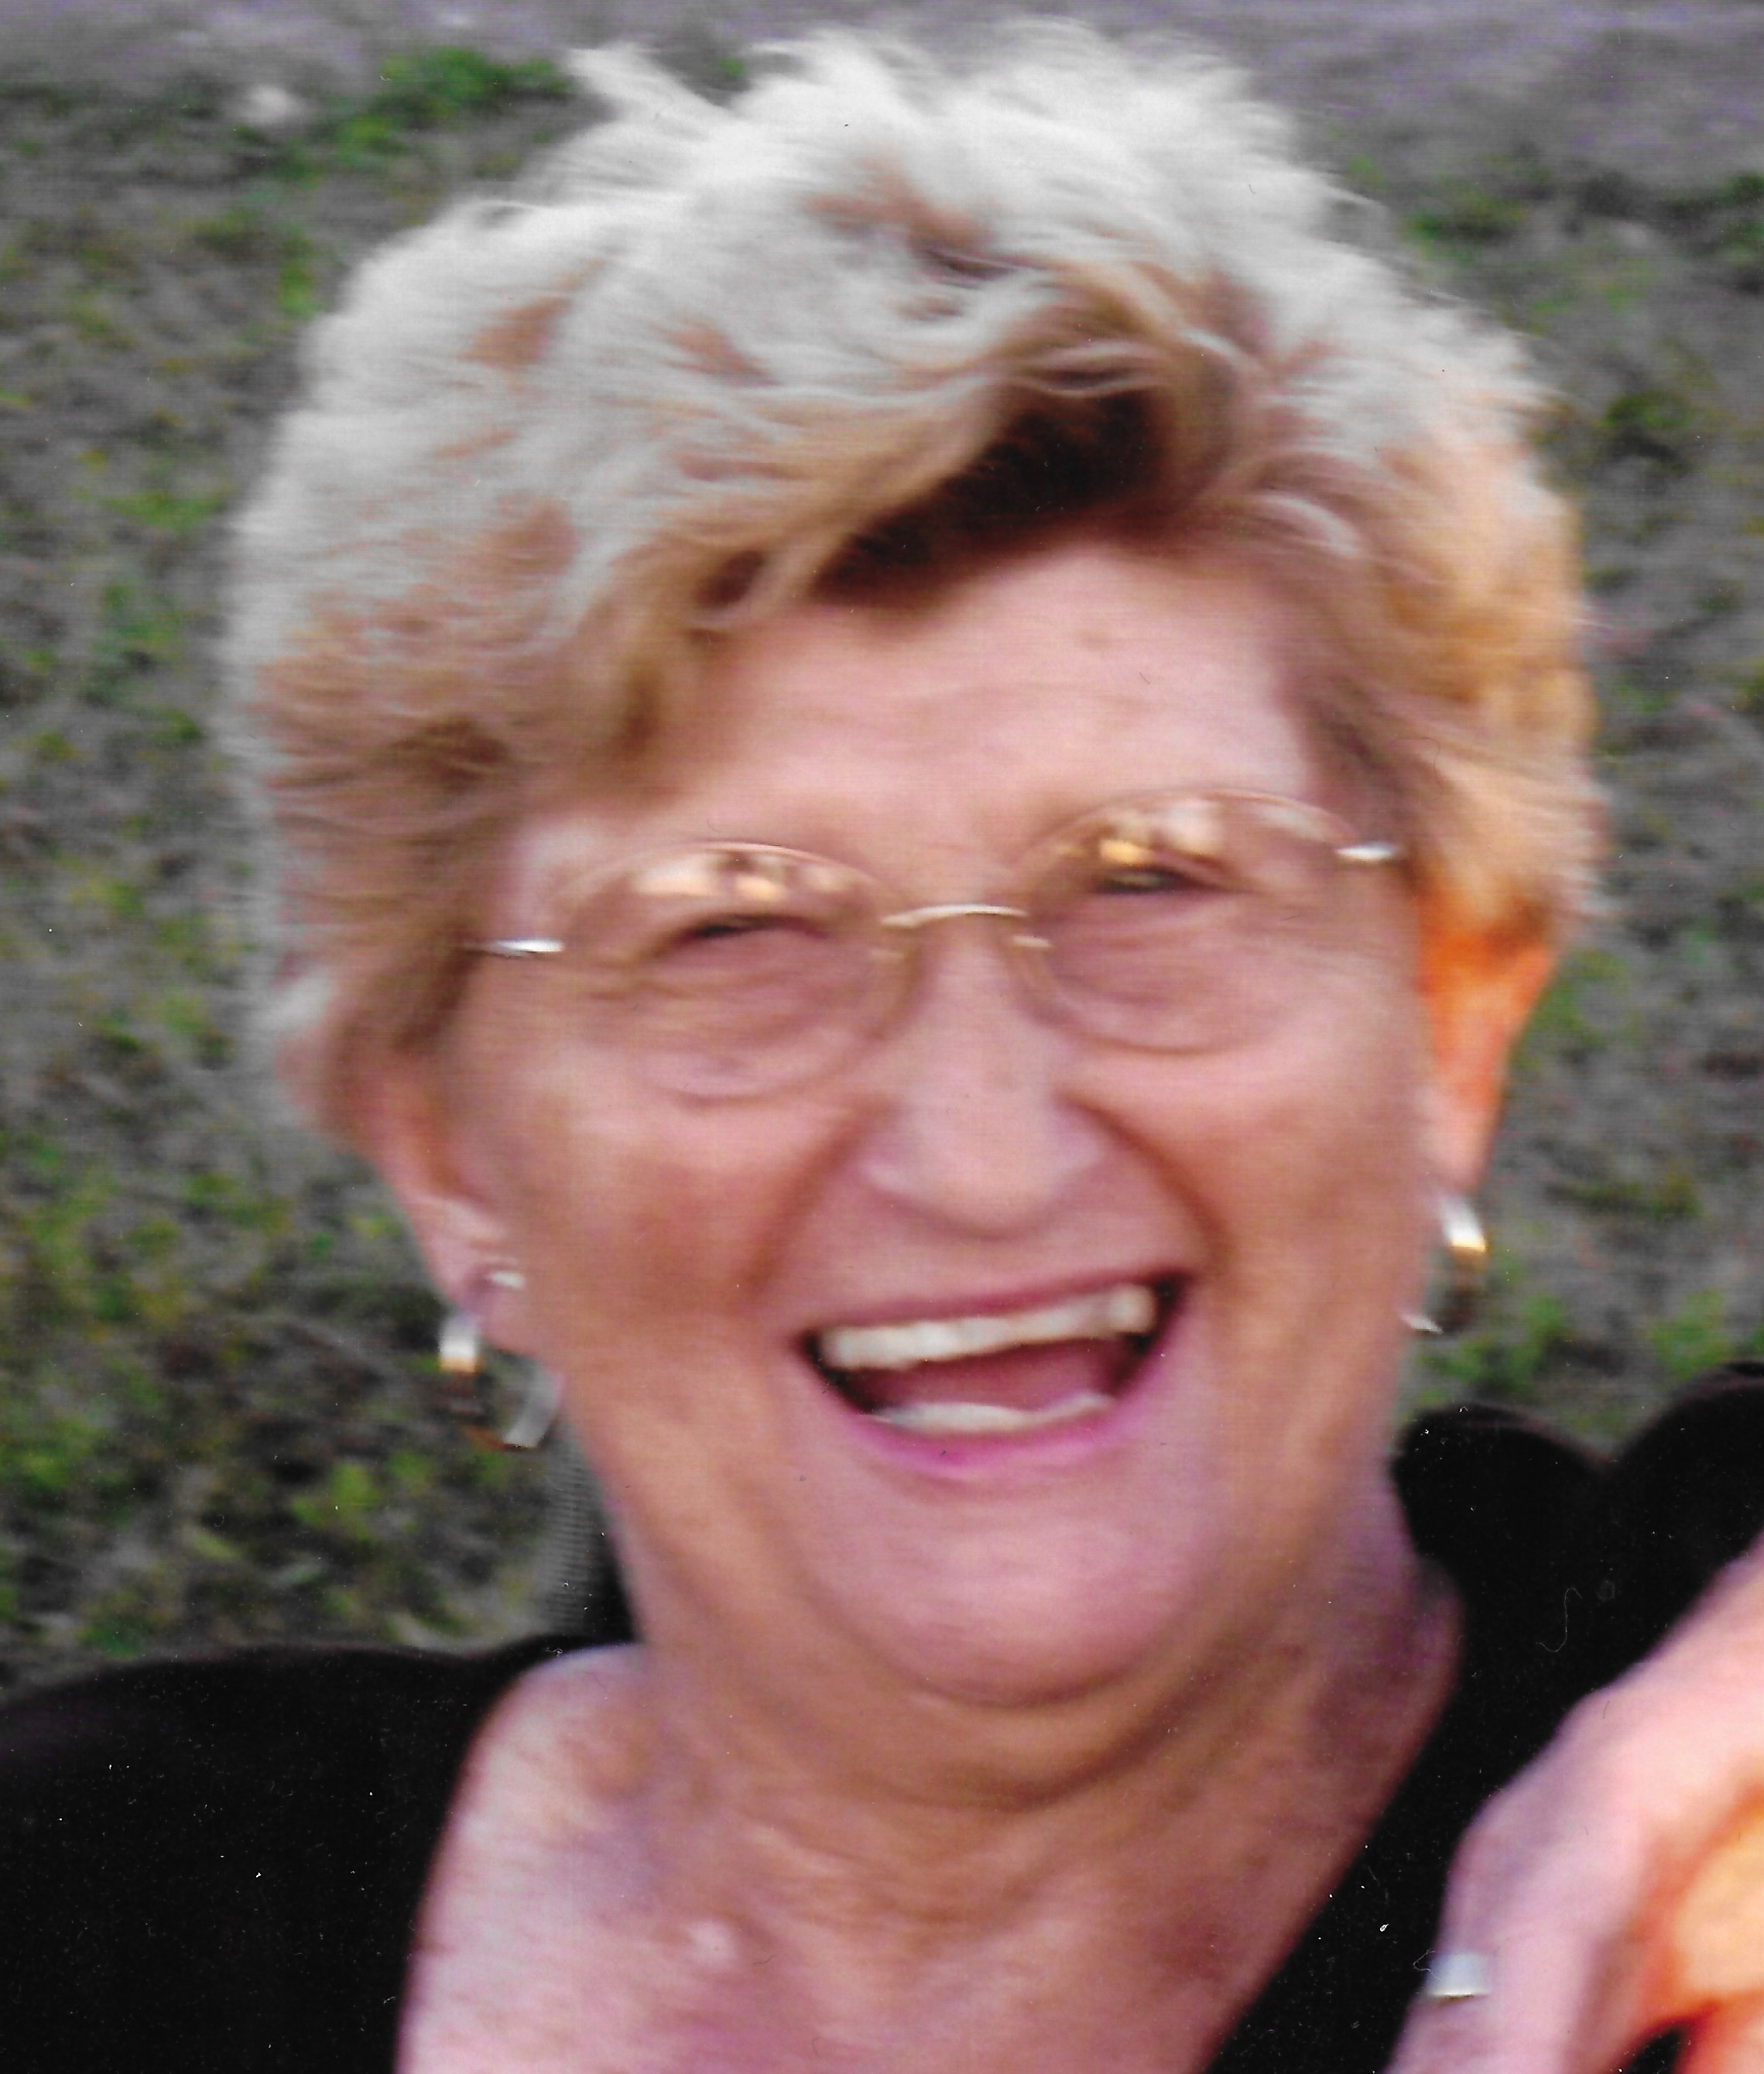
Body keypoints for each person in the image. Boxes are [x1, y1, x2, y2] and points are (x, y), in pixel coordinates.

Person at [3, 26, 1764, 2073]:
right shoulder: (102, 1907)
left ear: (1451, 1028)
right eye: (729, 929)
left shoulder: (1692, 1841)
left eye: (1153, 881)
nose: (980, 1153)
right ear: (451, 1157)